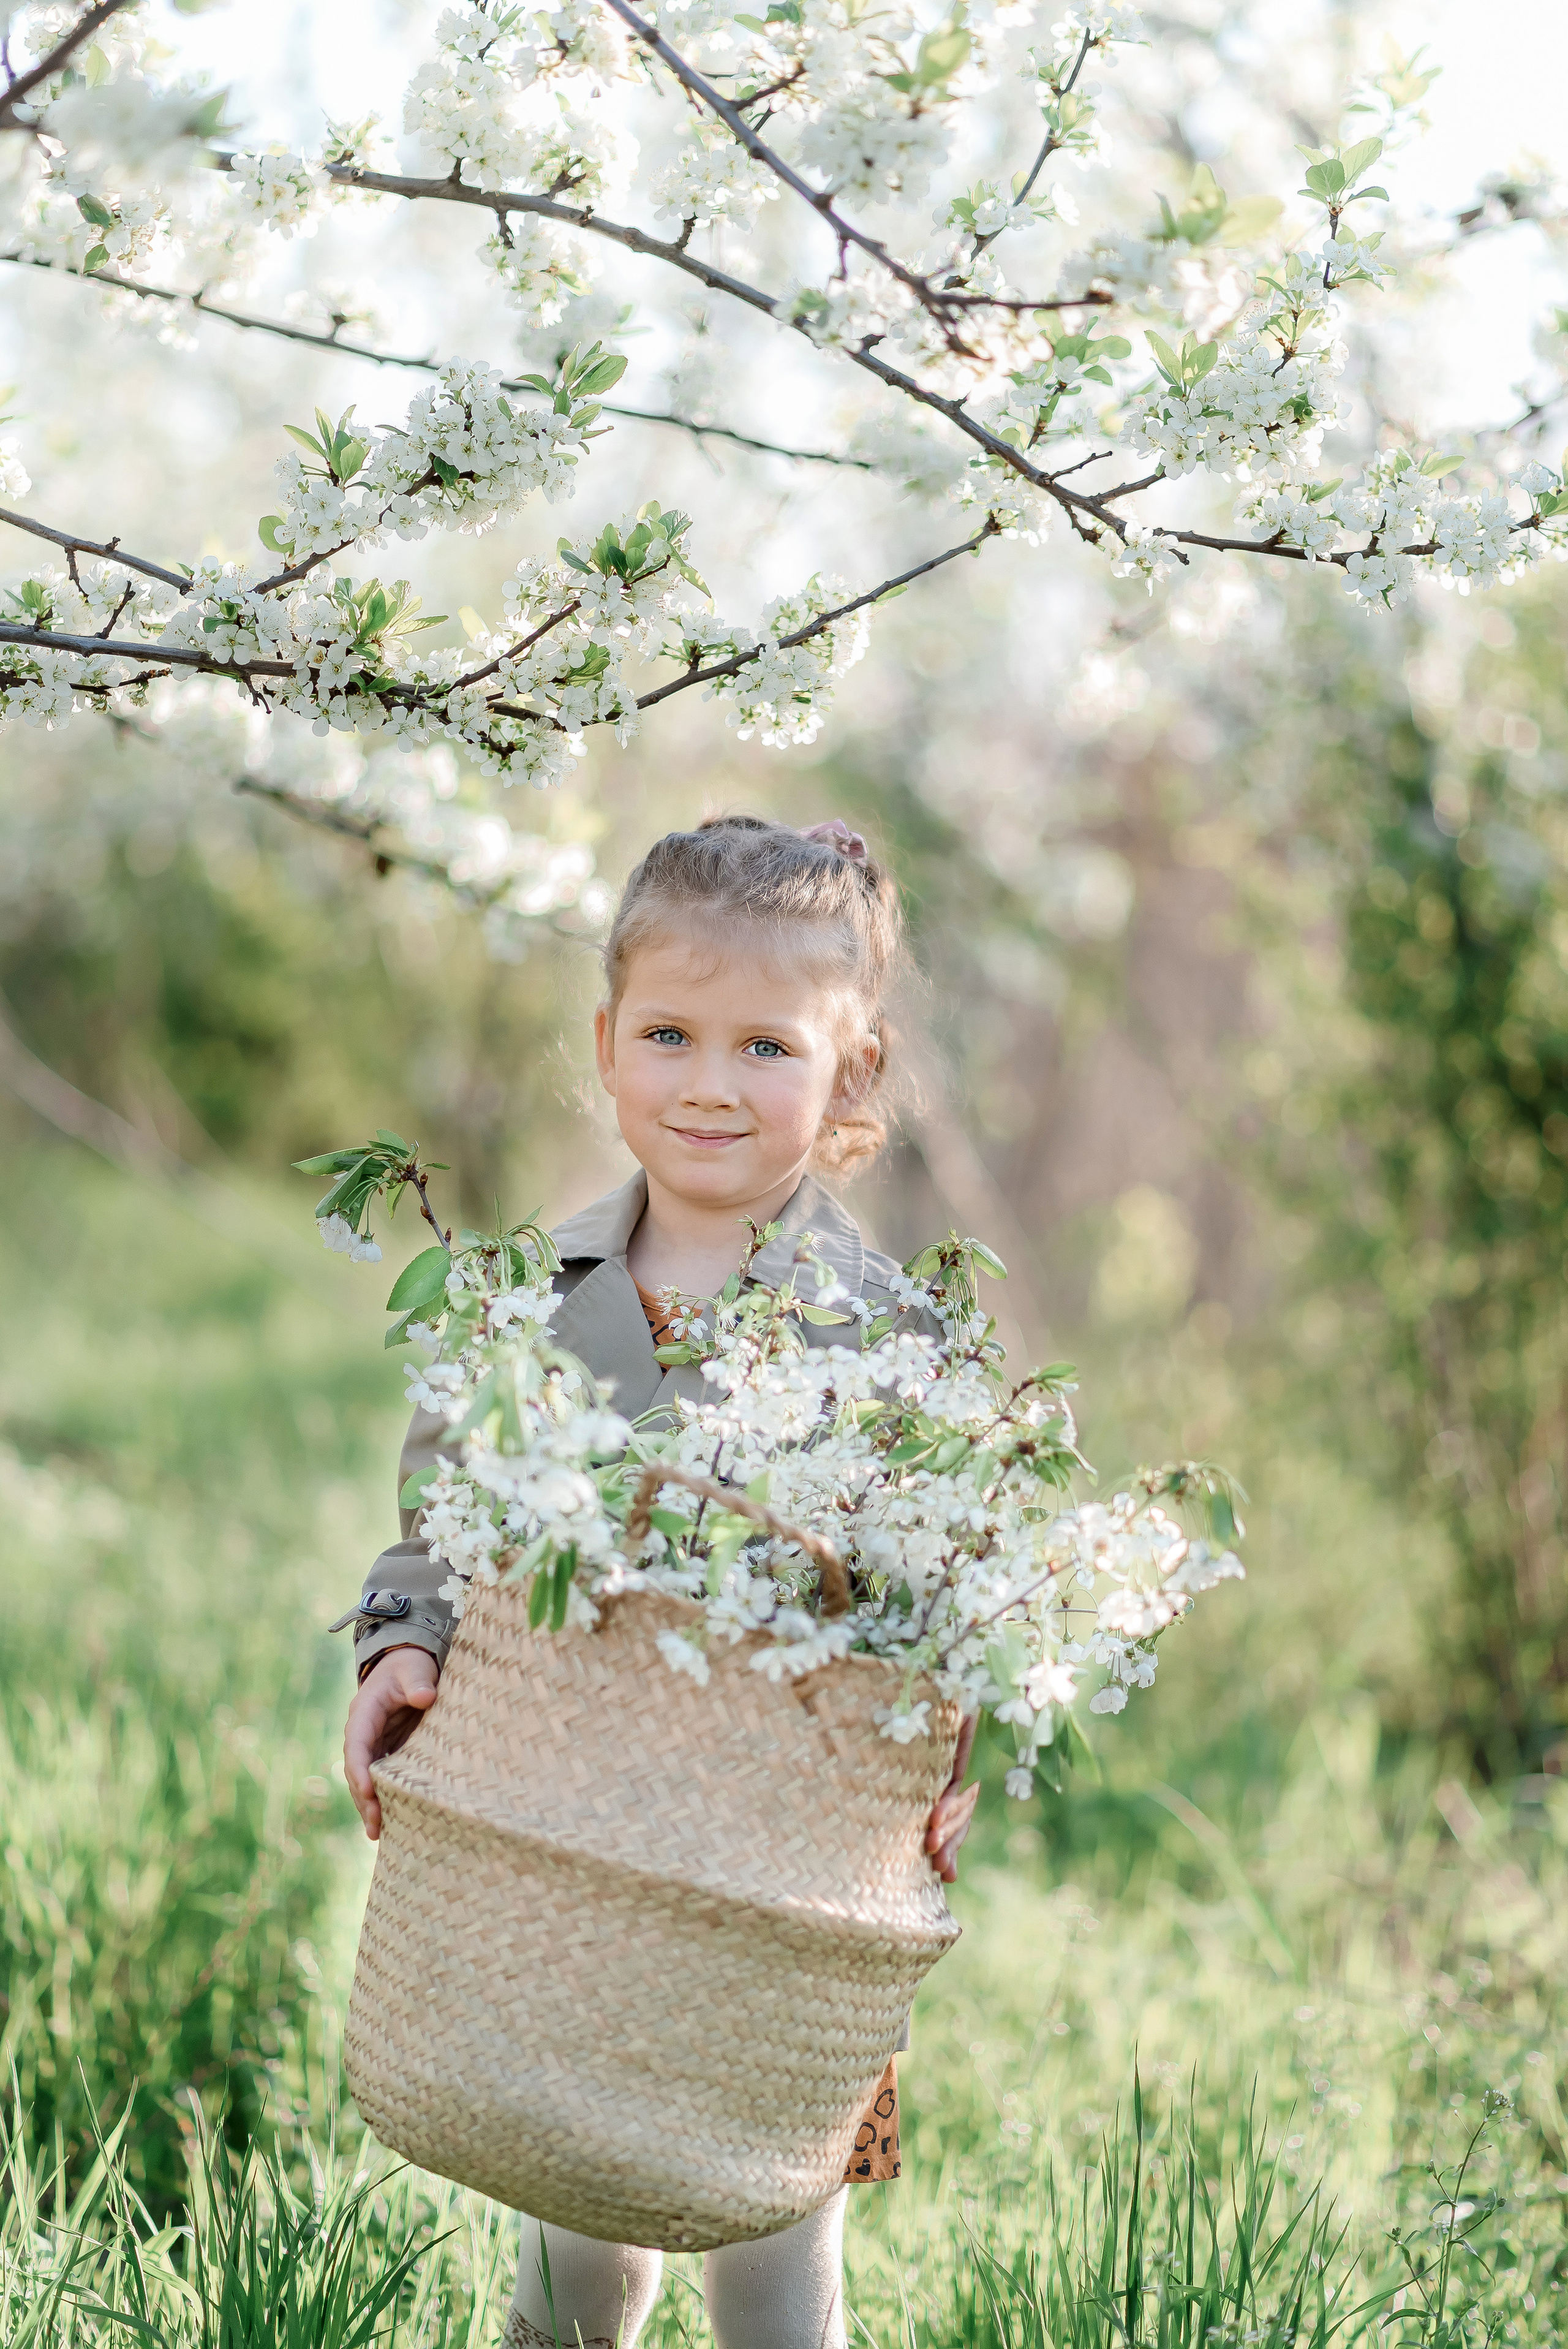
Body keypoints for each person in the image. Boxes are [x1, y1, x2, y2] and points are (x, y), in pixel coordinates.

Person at [339, 814, 982, 2349]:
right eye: (672, 1034)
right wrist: (400, 1645)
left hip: (779, 1875)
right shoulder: (523, 1299)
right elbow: (442, 1512)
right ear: (608, 1042)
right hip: (578, 1854)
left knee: (774, 2261)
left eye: (767, 1044)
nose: (709, 1081)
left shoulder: (891, 1336)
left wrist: (963, 1736)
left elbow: (954, 1584)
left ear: (852, 1072)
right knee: (573, 2253)